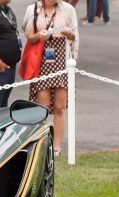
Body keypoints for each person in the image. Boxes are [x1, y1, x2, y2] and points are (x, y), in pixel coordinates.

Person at [23, 0, 78, 156]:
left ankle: (56, 147)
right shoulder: (33, 9)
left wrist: (67, 32)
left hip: (62, 60)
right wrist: (39, 36)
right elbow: (29, 36)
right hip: (41, 60)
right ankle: (42, 145)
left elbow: (75, 36)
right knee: (43, 106)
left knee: (60, 107)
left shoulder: (67, 9)